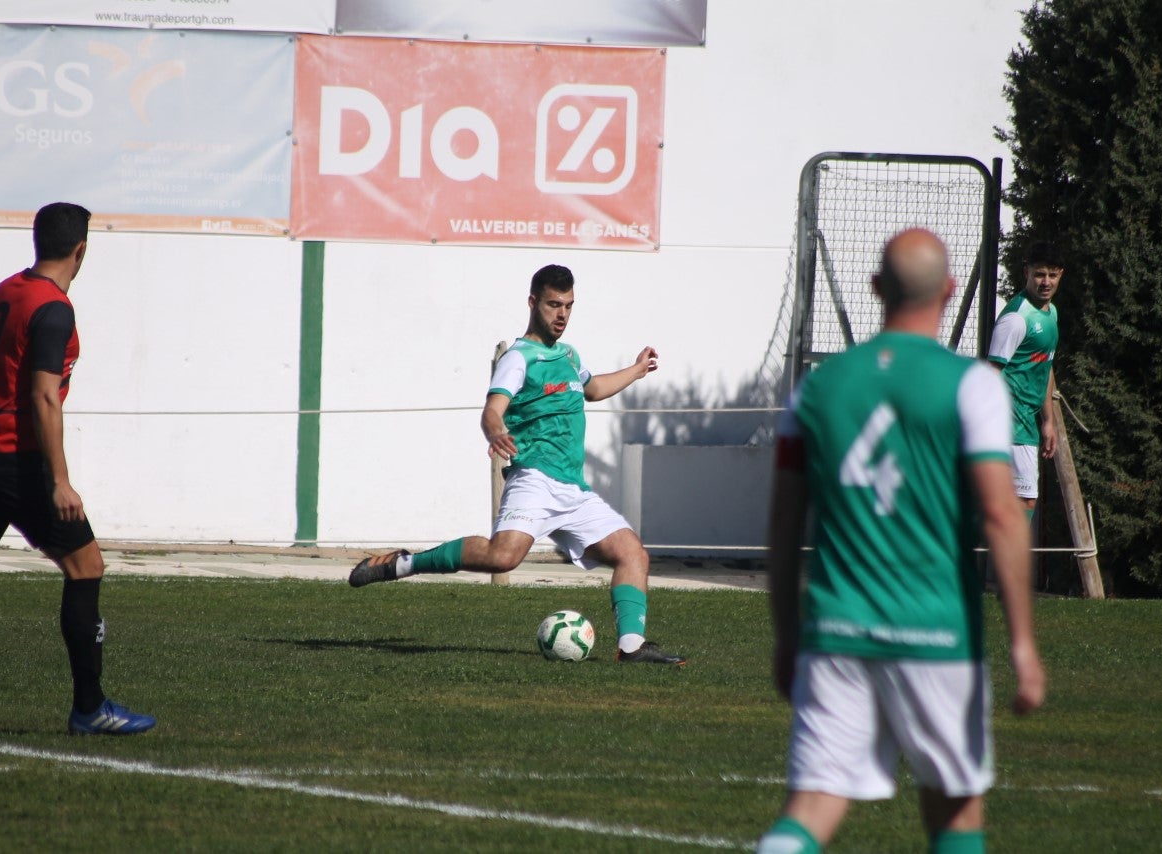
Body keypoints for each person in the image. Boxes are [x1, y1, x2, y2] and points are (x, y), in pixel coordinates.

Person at [759, 229, 1045, 853]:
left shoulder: (816, 388)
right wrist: (1023, 644)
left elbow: (782, 524)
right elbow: (1002, 515)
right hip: (939, 634)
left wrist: (786, 635)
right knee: (956, 814)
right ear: (950, 291)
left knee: (809, 810)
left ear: (875, 289)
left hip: (837, 631)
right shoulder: (972, 385)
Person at [348, 263, 684, 666]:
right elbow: (493, 409)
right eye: (553, 305)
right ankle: (403, 564)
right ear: (532, 302)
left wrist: (637, 370)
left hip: (573, 488)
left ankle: (631, 647)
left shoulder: (569, 356)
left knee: (633, 554)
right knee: (502, 557)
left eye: (568, 306)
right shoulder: (519, 358)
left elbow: (593, 389)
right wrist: (495, 432)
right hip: (534, 478)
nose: (561, 315)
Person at [0, 202, 155, 736]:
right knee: (86, 567)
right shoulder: (54, 309)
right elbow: (44, 397)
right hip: (14, 464)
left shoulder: (8, 289)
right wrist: (60, 482)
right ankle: (90, 708)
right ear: (81, 249)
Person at [986, 243, 1063, 519]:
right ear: (1026, 273)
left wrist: (1048, 420)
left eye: (1052, 275)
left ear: (1061, 275)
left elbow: (1045, 365)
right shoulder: (1017, 318)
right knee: (1023, 500)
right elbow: (991, 373)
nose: (1046, 282)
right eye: (1039, 274)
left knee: (1017, 500)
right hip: (1012, 421)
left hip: (1028, 421)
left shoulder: (1051, 312)